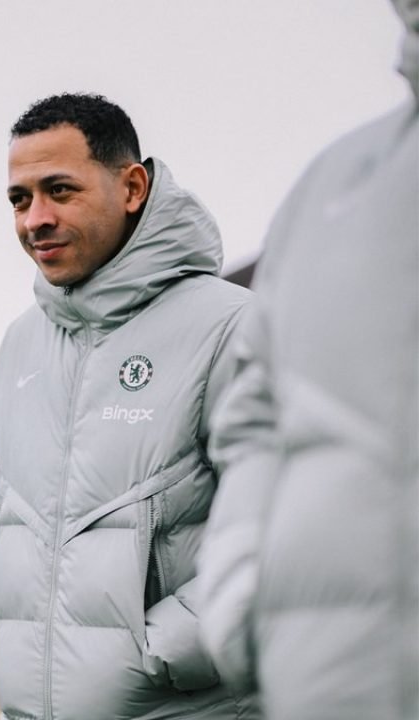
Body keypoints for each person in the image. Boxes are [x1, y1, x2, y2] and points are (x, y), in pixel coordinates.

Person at [0, 93, 258, 719]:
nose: (34, 219)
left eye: (60, 191)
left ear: (131, 187)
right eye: (20, 199)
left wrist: (153, 655)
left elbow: (290, 533)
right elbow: (9, 520)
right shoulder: (19, 344)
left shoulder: (234, 328)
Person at [196, 2, 419, 718]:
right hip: (327, 683)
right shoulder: (331, 186)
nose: (35, 217)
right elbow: (256, 417)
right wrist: (237, 597)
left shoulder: (204, 319)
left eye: (58, 190)